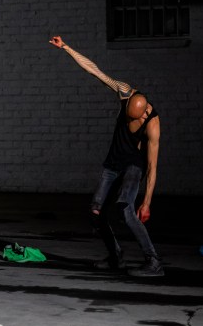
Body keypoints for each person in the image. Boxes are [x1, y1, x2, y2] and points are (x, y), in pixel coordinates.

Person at [49, 35, 164, 277]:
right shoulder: (125, 92)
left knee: (125, 209)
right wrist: (67, 48)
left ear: (144, 114)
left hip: (134, 165)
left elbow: (152, 167)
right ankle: (116, 257)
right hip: (113, 162)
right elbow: (95, 70)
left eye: (137, 118)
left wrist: (147, 201)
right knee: (96, 212)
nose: (132, 120)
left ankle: (153, 262)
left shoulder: (153, 125)